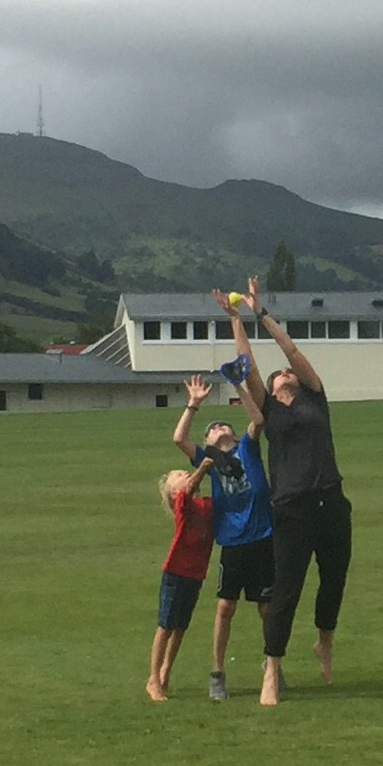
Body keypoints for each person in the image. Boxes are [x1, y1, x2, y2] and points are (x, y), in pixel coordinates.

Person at [224, 276, 351, 707]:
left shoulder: (314, 397)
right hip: (292, 509)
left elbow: (290, 350)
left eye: (287, 372)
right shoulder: (268, 411)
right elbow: (248, 366)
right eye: (278, 374)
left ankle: (324, 642)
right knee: (286, 590)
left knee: (333, 579)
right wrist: (236, 320)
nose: (284, 373)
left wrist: (260, 312)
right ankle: (271, 669)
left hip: (331, 501)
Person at [172, 364, 273, 702]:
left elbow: (258, 420)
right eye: (212, 429)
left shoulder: (247, 449)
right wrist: (193, 404)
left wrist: (237, 385)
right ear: (208, 442)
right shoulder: (209, 460)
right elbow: (179, 439)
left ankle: (272, 665)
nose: (218, 428)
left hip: (263, 538)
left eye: (223, 425)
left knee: (267, 608)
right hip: (232, 542)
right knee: (225, 607)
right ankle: (217, 673)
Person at [146, 458, 216, 702]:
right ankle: (153, 679)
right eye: (177, 475)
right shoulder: (182, 504)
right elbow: (187, 490)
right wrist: (203, 467)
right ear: (173, 492)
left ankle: (166, 670)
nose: (184, 473)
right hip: (176, 572)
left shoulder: (205, 504)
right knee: (165, 626)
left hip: (195, 573)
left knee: (180, 627)